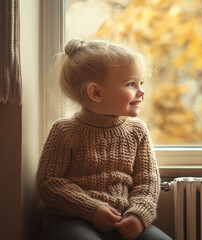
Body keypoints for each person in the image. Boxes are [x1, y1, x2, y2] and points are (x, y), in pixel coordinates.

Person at [36, 39, 172, 240]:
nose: (141, 91)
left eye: (141, 83)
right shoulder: (64, 131)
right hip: (71, 220)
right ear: (96, 93)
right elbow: (48, 182)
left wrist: (138, 215)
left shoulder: (137, 131)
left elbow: (147, 182)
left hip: (124, 218)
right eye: (131, 84)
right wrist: (91, 208)